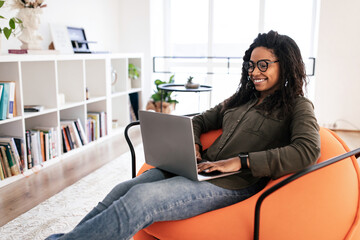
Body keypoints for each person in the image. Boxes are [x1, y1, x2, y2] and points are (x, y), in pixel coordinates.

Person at [46, 30, 320, 240]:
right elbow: (198, 121)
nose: (254, 72)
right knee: (122, 190)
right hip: (198, 168)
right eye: (251, 65)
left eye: (263, 65)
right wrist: (194, 148)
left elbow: (307, 149)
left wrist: (241, 161)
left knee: (140, 200)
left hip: (234, 183)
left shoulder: (298, 106)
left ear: (284, 64)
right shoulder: (241, 99)